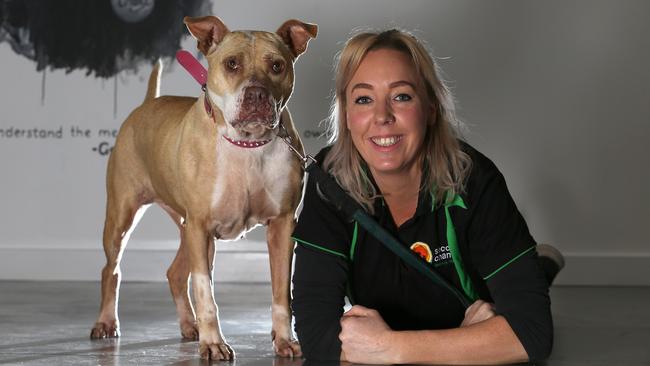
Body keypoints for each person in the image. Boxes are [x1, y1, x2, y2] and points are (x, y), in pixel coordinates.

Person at [291, 29, 563, 364]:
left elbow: (532, 333)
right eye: (363, 99)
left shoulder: (475, 179)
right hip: (460, 328)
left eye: (402, 96)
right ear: (346, 116)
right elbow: (317, 336)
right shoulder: (327, 183)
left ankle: (542, 266)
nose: (382, 117)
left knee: (524, 290)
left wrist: (388, 348)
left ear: (431, 108)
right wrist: (473, 342)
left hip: (468, 305)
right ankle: (542, 265)